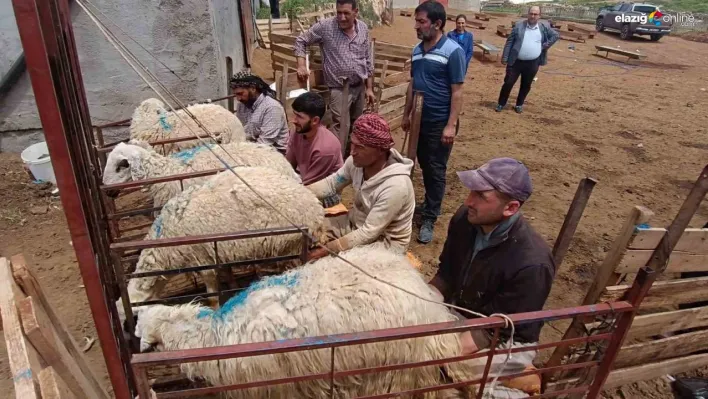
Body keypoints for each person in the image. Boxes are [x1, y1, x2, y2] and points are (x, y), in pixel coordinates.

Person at [428, 157, 556, 396]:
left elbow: (495, 329)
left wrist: (441, 353)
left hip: (506, 337)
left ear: (511, 208)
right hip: (463, 313)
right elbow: (445, 275)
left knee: (440, 373)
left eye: (480, 196)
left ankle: (513, 392)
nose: (468, 201)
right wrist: (419, 303)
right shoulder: (464, 220)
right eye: (471, 192)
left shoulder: (532, 263)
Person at [306, 113, 415, 261]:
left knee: (333, 269)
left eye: (360, 147)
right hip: (354, 224)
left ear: (380, 150)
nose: (352, 152)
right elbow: (332, 184)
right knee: (305, 233)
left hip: (384, 243)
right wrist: (300, 194)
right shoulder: (357, 162)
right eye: (352, 143)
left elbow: (368, 233)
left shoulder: (396, 186)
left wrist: (327, 250)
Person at [402, 0, 466, 244]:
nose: (416, 26)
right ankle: (418, 206)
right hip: (418, 120)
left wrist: (450, 125)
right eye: (416, 21)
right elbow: (412, 84)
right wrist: (407, 114)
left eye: (421, 22)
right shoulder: (417, 51)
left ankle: (430, 216)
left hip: (440, 122)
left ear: (437, 24)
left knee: (435, 169)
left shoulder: (453, 51)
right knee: (414, 163)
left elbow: (457, 91)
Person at [294, 0, 376, 158]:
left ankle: (351, 159)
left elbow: (367, 60)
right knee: (341, 127)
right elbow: (301, 41)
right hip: (338, 87)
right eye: (339, 12)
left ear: (356, 12)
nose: (342, 17)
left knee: (357, 124)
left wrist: (369, 88)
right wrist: (301, 65)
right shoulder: (326, 27)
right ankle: (335, 162)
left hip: (359, 86)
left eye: (346, 13)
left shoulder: (363, 29)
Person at [496, 6, 559, 114]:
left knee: (526, 85)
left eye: (535, 14)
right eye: (531, 13)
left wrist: (545, 46)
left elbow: (555, 35)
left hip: (533, 63)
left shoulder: (543, 26)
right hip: (516, 61)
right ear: (528, 14)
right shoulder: (519, 26)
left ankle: (519, 104)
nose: (533, 16)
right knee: (508, 83)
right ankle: (501, 103)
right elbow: (509, 42)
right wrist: (505, 57)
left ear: (539, 16)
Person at [286, 92, 344, 208]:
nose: (294, 120)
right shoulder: (298, 132)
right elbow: (287, 165)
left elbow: (311, 186)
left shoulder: (326, 148)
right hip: (304, 181)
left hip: (325, 193)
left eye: (299, 117)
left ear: (315, 121)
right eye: (294, 114)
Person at [230, 71, 289, 154]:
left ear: (253, 88)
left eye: (240, 93)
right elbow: (241, 132)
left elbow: (265, 143)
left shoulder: (272, 107)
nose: (238, 98)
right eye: (236, 95)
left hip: (274, 152)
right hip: (250, 148)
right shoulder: (242, 105)